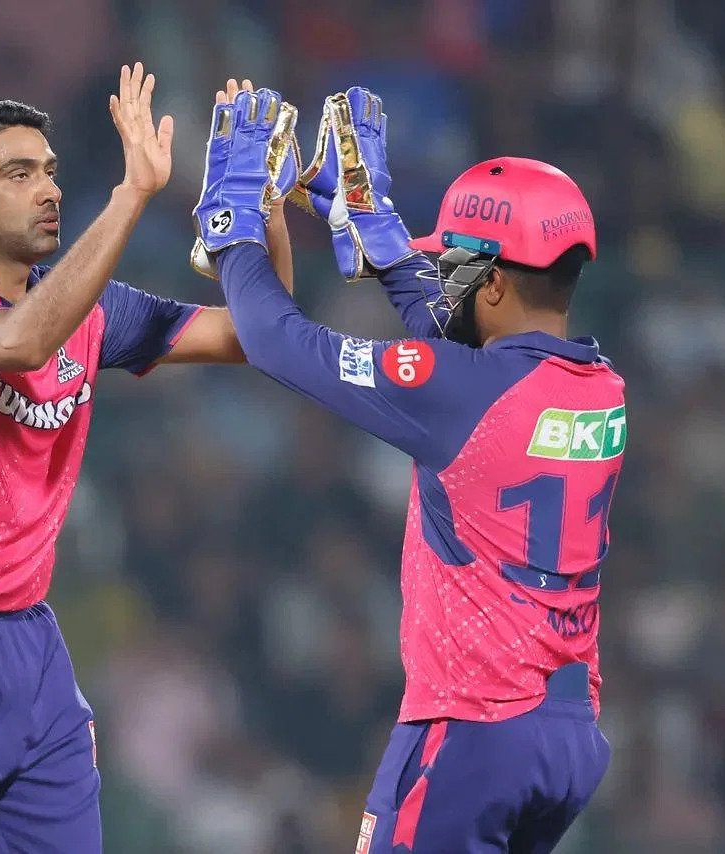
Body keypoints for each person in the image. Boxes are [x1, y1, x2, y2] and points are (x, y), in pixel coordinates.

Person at [0, 66, 294, 854]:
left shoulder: (89, 307)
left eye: (48, 171)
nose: (47, 189)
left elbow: (260, 335)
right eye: (18, 174)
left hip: (29, 644)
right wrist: (132, 195)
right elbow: (21, 341)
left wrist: (260, 210)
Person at [193, 85, 623, 853]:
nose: (443, 278)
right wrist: (377, 228)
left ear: (495, 281)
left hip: (472, 731)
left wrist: (232, 225)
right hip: (568, 735)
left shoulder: (459, 390)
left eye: (453, 265)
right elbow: (466, 346)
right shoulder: (601, 388)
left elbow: (276, 340)